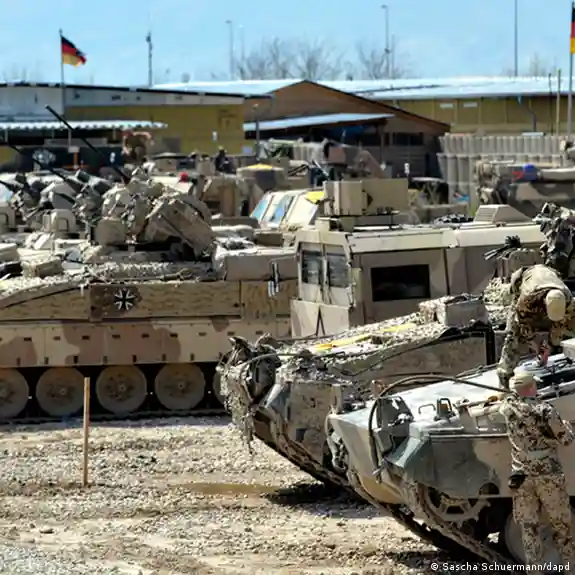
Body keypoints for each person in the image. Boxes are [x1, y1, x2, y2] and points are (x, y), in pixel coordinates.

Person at [499, 371, 575, 567]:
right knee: (562, 526)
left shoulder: (507, 408)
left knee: (529, 528)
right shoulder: (545, 410)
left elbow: (508, 398)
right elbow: (566, 439)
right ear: (532, 387)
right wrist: (567, 426)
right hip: (548, 476)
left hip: (521, 477)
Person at [497, 263, 575, 390]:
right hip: (523, 283)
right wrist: (537, 345)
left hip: (549, 280)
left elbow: (562, 323)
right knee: (514, 338)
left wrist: (550, 343)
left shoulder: (566, 297)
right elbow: (523, 326)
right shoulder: (528, 299)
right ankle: (504, 376)